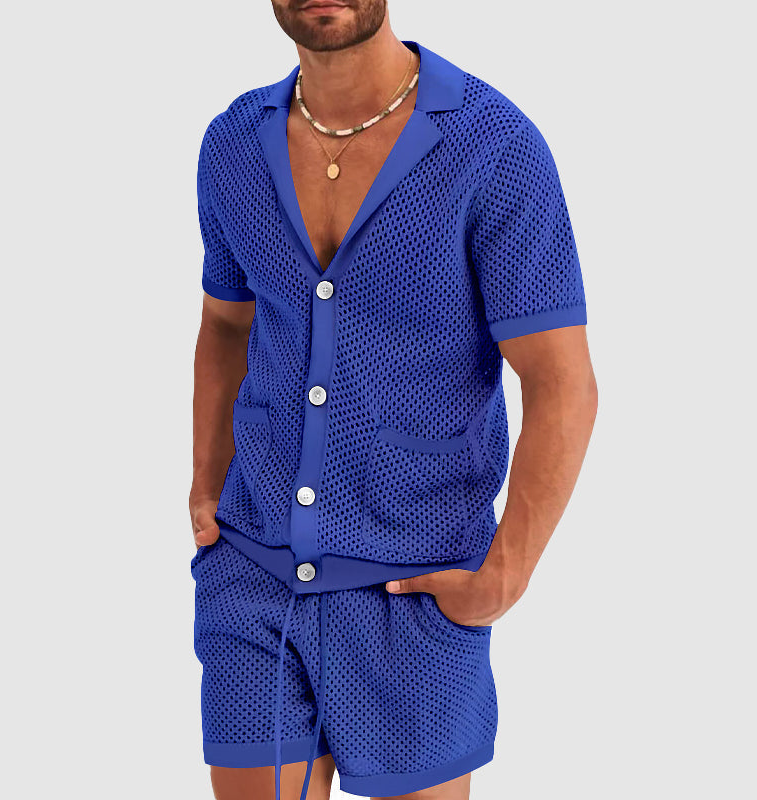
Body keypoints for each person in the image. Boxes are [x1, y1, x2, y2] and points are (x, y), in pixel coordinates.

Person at [189, 2, 598, 799]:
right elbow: (225, 323)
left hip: (415, 590)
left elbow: (562, 381)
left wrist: (506, 574)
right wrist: (207, 484)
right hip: (253, 573)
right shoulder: (233, 143)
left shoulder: (493, 146)